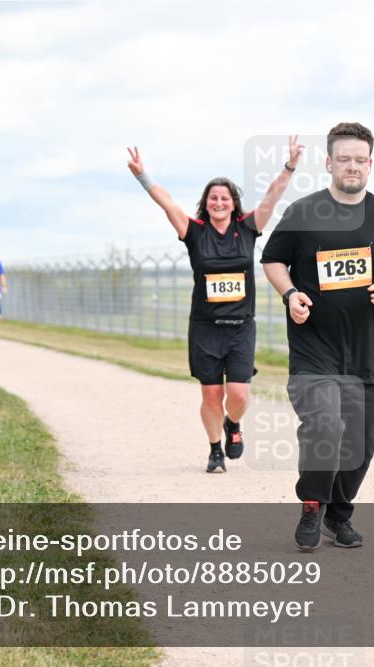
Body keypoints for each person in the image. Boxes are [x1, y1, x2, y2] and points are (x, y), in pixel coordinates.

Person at [261, 122, 374, 551]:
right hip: (314, 350)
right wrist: (290, 292)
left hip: (366, 354)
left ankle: (338, 513)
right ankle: (312, 505)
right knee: (326, 428)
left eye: (361, 159)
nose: (353, 166)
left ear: (371, 164)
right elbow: (273, 260)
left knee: (362, 444)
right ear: (329, 163)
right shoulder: (304, 212)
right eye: (344, 159)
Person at [126, 137, 302, 473]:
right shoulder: (194, 232)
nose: (218, 202)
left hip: (240, 328)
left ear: (233, 203)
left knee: (237, 395)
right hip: (205, 328)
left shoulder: (248, 227)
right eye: (212, 198)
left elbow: (272, 196)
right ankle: (214, 450)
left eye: (224, 197)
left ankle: (232, 425)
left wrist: (290, 165)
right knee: (210, 396)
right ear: (206, 204)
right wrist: (141, 175)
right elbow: (166, 203)